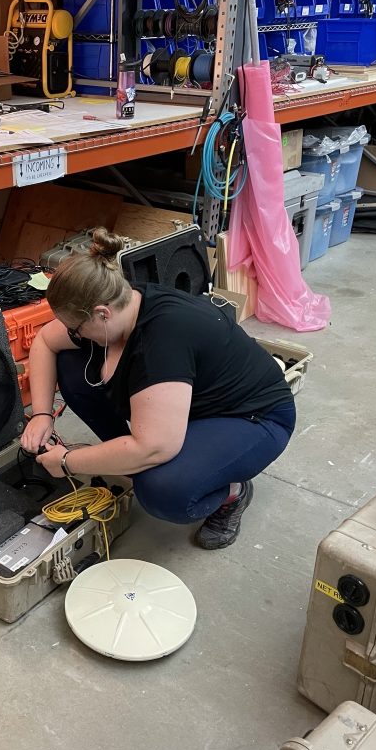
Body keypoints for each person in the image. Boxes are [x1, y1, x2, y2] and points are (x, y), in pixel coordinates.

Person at [21, 228, 296, 550]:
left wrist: (69, 461)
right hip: (183, 403)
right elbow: (44, 341)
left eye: (77, 327)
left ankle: (232, 493)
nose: (74, 333)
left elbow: (156, 447)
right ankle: (127, 455)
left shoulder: (160, 344)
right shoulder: (121, 300)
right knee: (73, 367)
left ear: (102, 313)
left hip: (252, 418)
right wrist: (41, 415)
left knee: (160, 488)